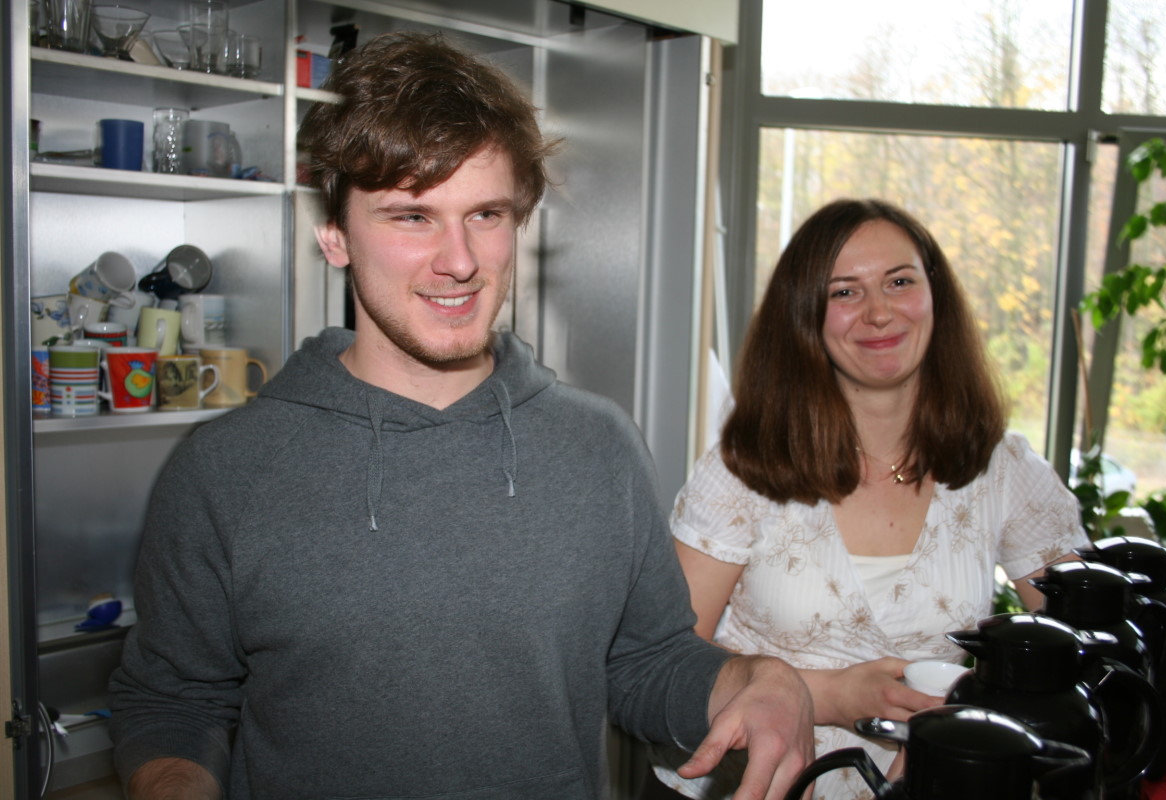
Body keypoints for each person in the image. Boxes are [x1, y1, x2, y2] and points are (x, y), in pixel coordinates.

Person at [107, 31, 815, 800]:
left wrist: (757, 679)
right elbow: (172, 701)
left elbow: (644, 662)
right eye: (412, 216)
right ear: (335, 236)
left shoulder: (598, 446)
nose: (460, 261)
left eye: (485, 214)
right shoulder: (225, 470)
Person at [648, 199, 1088, 800]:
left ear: (935, 295)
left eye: (900, 282)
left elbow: (1080, 652)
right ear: (805, 316)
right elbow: (663, 661)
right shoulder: (743, 468)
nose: (880, 312)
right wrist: (830, 695)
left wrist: (974, 717)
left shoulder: (1005, 470)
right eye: (845, 292)